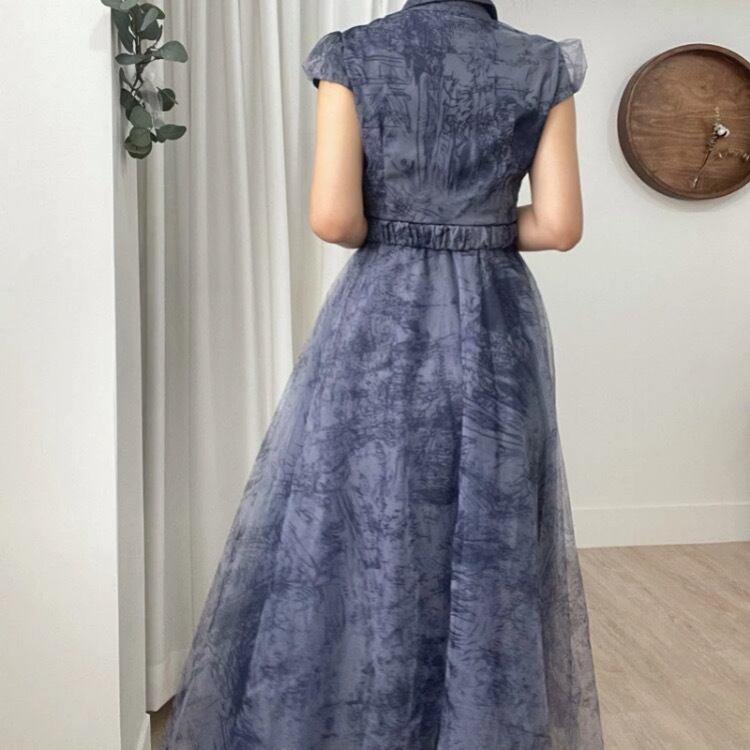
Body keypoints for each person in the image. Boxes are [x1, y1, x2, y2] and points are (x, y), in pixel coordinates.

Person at [161, 1, 604, 748]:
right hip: (496, 320)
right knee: (487, 527)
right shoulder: (542, 65)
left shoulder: (353, 55)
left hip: (383, 316)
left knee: (362, 515)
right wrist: (477, 228)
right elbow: (559, 226)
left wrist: (407, 224)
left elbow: (334, 219)